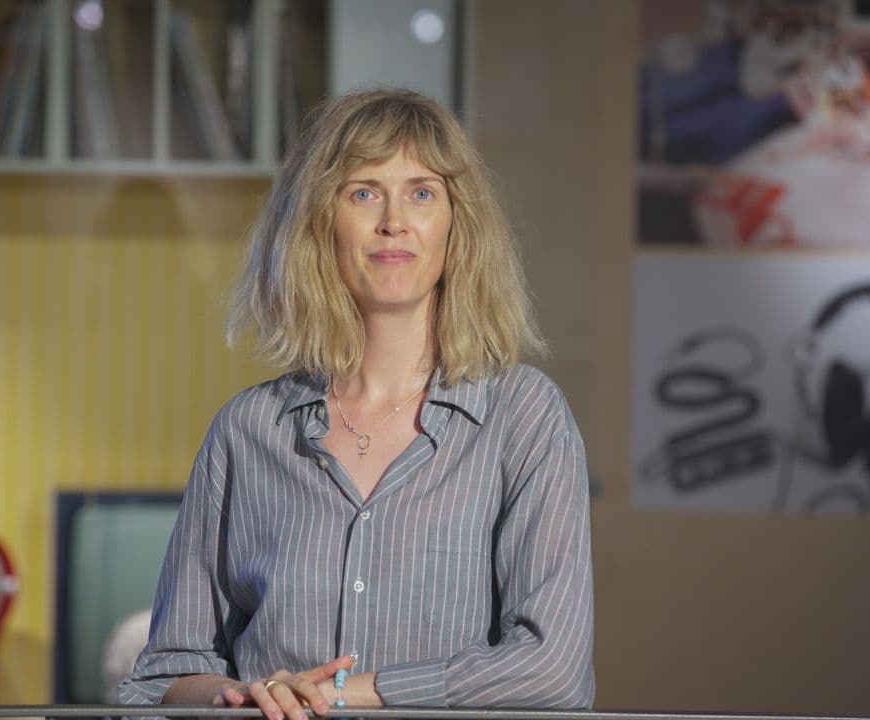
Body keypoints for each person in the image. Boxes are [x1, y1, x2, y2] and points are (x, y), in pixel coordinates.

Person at [117, 88, 595, 717]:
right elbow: (163, 676)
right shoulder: (247, 429)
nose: (393, 220)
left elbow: (552, 670)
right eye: (363, 191)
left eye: (422, 192)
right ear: (321, 222)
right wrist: (241, 695)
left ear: (456, 225)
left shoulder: (524, 416)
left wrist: (348, 694)